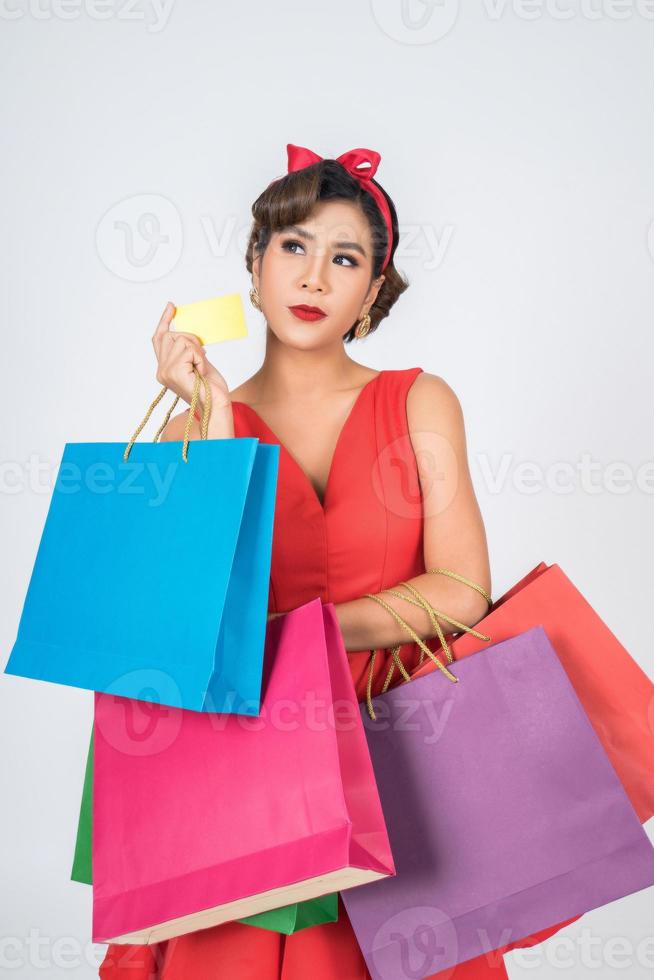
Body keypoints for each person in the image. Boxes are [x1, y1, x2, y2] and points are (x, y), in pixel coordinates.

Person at [99, 144, 577, 979]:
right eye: (293, 247)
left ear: (371, 293)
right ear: (253, 270)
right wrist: (210, 415)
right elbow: (185, 626)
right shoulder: (188, 432)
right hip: (247, 762)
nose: (314, 277)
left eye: (344, 257)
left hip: (400, 758)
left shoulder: (420, 399)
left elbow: (462, 591)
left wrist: (299, 633)